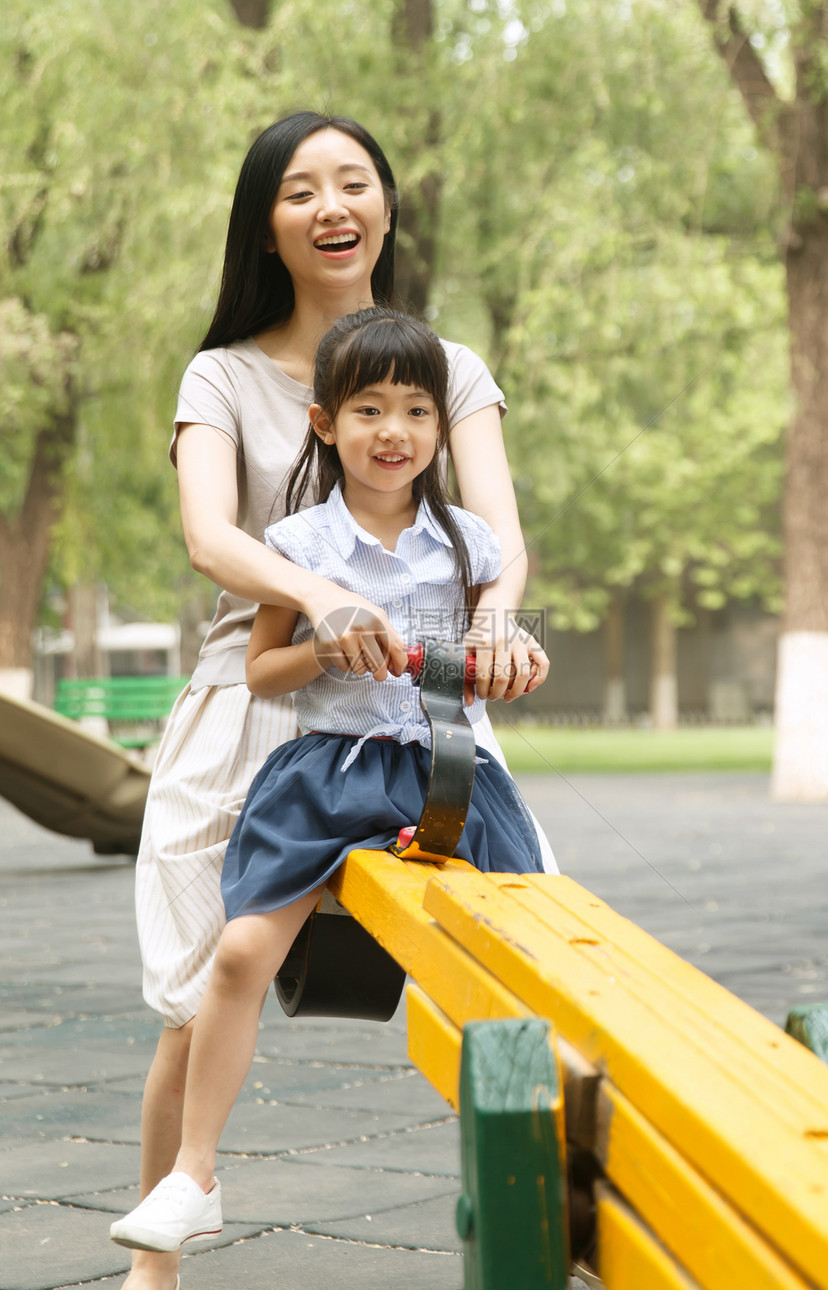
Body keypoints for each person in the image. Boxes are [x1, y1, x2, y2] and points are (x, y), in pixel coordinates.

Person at [127, 111, 553, 1290]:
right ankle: (158, 1258)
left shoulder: (444, 369)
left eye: (353, 183)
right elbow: (212, 536)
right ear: (264, 225)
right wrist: (318, 601)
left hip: (415, 711)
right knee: (199, 992)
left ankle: (546, 1230)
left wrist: (490, 625)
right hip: (252, 703)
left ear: (383, 206)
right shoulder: (219, 375)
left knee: (522, 965)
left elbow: (497, 543)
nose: (331, 206)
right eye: (299, 190)